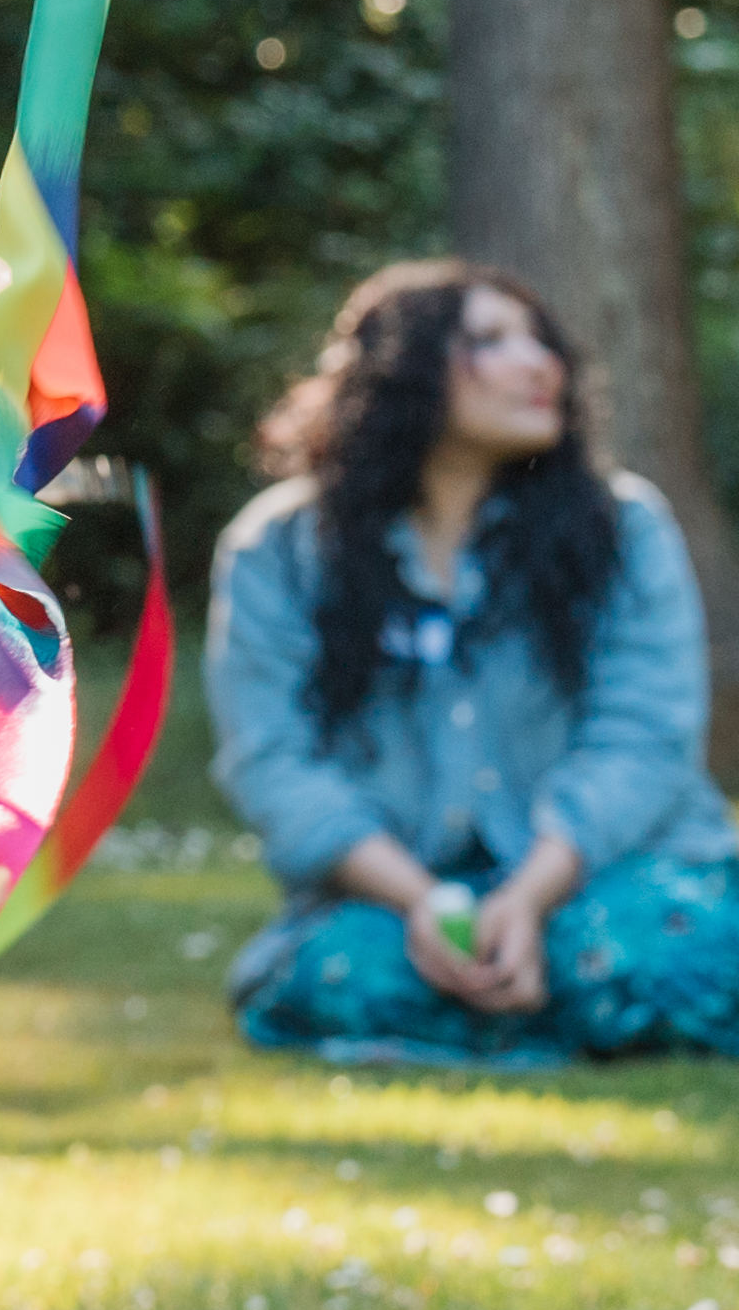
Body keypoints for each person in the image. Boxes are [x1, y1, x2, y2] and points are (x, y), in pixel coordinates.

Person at [207, 259, 739, 1062]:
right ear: (403, 376)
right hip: (401, 896)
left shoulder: (624, 527)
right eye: (491, 340)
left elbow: (644, 740)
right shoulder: (279, 549)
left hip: (605, 879)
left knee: (636, 947)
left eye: (541, 340)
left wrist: (526, 899)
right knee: (343, 969)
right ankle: (559, 1012)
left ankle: (496, 1012)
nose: (541, 364)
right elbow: (274, 763)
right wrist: (426, 904)